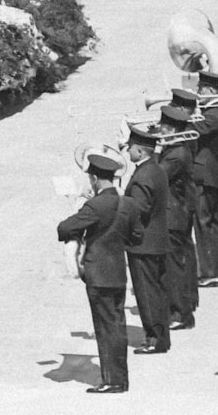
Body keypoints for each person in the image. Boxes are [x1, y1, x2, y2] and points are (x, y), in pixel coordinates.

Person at [57, 153, 142, 394]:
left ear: (94, 178)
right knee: (117, 326)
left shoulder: (95, 205)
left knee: (105, 329)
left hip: (98, 274)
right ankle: (119, 378)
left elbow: (65, 227)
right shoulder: (128, 203)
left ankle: (112, 381)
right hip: (117, 272)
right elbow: (136, 236)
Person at [123, 127, 171, 355]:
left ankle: (154, 339)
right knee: (157, 292)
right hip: (157, 241)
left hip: (143, 244)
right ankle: (161, 337)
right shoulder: (156, 169)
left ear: (141, 152)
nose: (128, 151)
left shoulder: (143, 176)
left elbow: (138, 209)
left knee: (147, 293)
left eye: (131, 148)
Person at [154, 106, 198, 331]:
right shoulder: (174, 148)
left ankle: (181, 314)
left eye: (162, 126)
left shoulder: (177, 154)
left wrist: (147, 147)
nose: (158, 128)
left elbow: (155, 177)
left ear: (171, 128)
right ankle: (180, 309)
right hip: (175, 212)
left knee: (173, 266)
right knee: (174, 264)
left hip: (174, 214)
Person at [189, 73, 218, 286]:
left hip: (206, 174)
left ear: (212, 91)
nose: (198, 92)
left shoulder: (214, 114)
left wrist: (174, 120)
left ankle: (211, 272)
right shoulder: (213, 111)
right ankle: (215, 270)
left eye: (201, 88)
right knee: (209, 223)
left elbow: (196, 131)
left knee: (204, 223)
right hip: (209, 173)